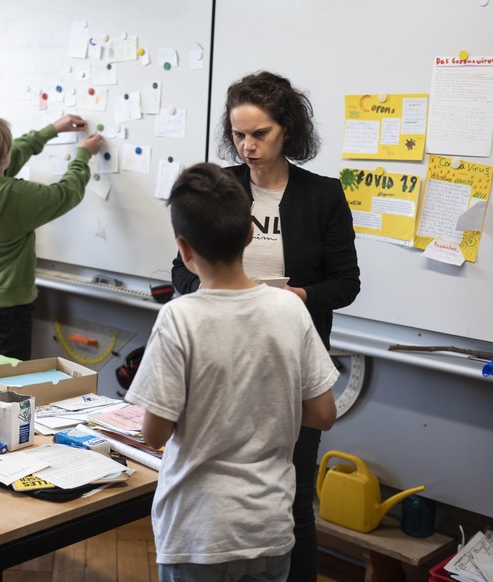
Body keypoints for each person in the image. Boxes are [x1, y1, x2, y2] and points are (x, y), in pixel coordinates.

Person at [171, 71, 360, 581]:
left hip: (290, 366)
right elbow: (179, 270)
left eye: (260, 134)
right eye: (238, 135)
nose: (247, 147)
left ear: (288, 131)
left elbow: (346, 284)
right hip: (218, 364)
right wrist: (218, 301)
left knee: (295, 502)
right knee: (212, 488)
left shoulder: (322, 196)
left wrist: (296, 298)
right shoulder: (219, 188)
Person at [127, 162, 339, 582]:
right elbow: (323, 415)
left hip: (198, 531)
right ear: (250, 234)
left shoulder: (178, 318)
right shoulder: (290, 307)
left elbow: (154, 434)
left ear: (184, 250)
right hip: (269, 527)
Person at [0, 113, 103, 360]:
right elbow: (66, 193)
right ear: (6, 152)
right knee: (10, 389)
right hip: (6, 308)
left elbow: (5, 160)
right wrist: (83, 155)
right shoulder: (17, 196)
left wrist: (52, 129)